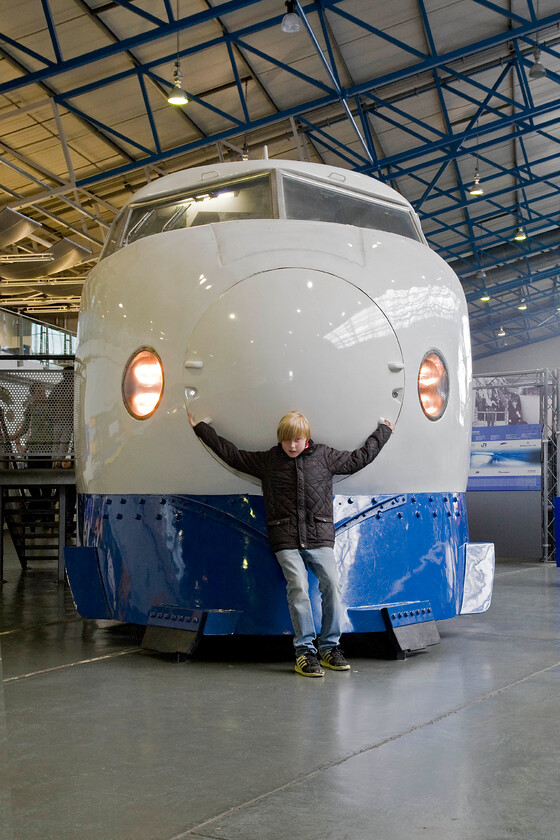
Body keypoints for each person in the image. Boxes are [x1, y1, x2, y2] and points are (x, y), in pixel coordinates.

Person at [189, 409, 394, 678]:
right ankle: (304, 652)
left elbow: (360, 458)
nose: (292, 446)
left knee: (332, 584)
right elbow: (232, 455)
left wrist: (384, 432)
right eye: (287, 441)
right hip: (285, 537)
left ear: (306, 438)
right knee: (297, 586)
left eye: (297, 440)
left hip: (319, 536)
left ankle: (330, 647)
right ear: (280, 440)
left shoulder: (325, 457)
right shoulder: (268, 462)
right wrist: (202, 428)